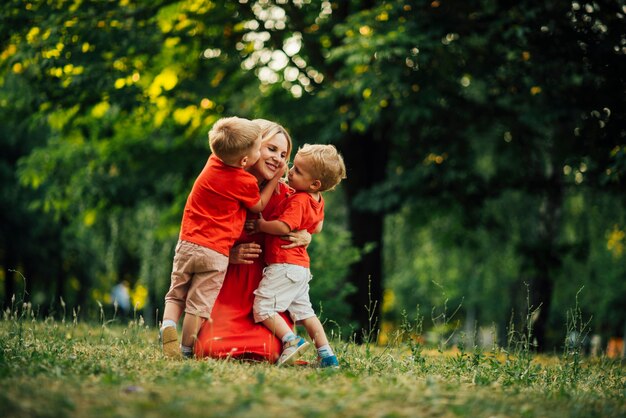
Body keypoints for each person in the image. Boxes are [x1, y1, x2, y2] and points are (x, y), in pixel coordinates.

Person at [160, 116, 284, 359]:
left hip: (187, 244)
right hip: (216, 253)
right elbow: (257, 206)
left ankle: (167, 326)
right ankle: (185, 350)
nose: (278, 159)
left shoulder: (213, 161)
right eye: (265, 148)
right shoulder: (245, 181)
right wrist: (277, 178)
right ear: (246, 159)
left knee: (176, 294)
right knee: (199, 305)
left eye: (283, 154)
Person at [193, 119, 313, 362]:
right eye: (271, 149)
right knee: (211, 348)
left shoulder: (285, 194)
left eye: (283, 154)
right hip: (227, 285)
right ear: (252, 146)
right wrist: (230, 254)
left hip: (264, 289)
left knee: (268, 350)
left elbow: (310, 215)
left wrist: (306, 235)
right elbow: (196, 239)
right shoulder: (222, 185)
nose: (278, 159)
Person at [250, 144, 346, 367]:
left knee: (263, 307)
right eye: (293, 166)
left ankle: (290, 340)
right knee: (306, 313)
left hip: (284, 265)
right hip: (300, 268)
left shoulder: (299, 200)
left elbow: (284, 227)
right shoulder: (317, 200)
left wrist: (261, 225)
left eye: (298, 171)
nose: (290, 171)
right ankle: (327, 355)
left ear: (315, 184)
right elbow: (319, 226)